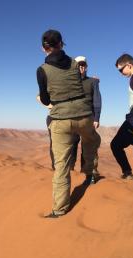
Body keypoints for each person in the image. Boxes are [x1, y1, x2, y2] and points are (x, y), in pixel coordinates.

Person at [36, 29, 99, 218]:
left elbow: (46, 100)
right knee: (92, 140)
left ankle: (60, 208)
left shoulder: (42, 70)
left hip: (60, 120)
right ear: (62, 44)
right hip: (84, 114)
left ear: (43, 48)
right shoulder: (74, 64)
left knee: (61, 164)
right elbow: (81, 82)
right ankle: (90, 174)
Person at [69, 56, 102, 179]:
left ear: (86, 67)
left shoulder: (92, 82)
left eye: (83, 65)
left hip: (88, 118)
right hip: (72, 118)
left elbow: (97, 101)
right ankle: (70, 171)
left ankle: (88, 173)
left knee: (88, 146)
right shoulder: (69, 82)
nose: (81, 67)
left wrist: (97, 118)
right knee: (71, 144)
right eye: (78, 65)